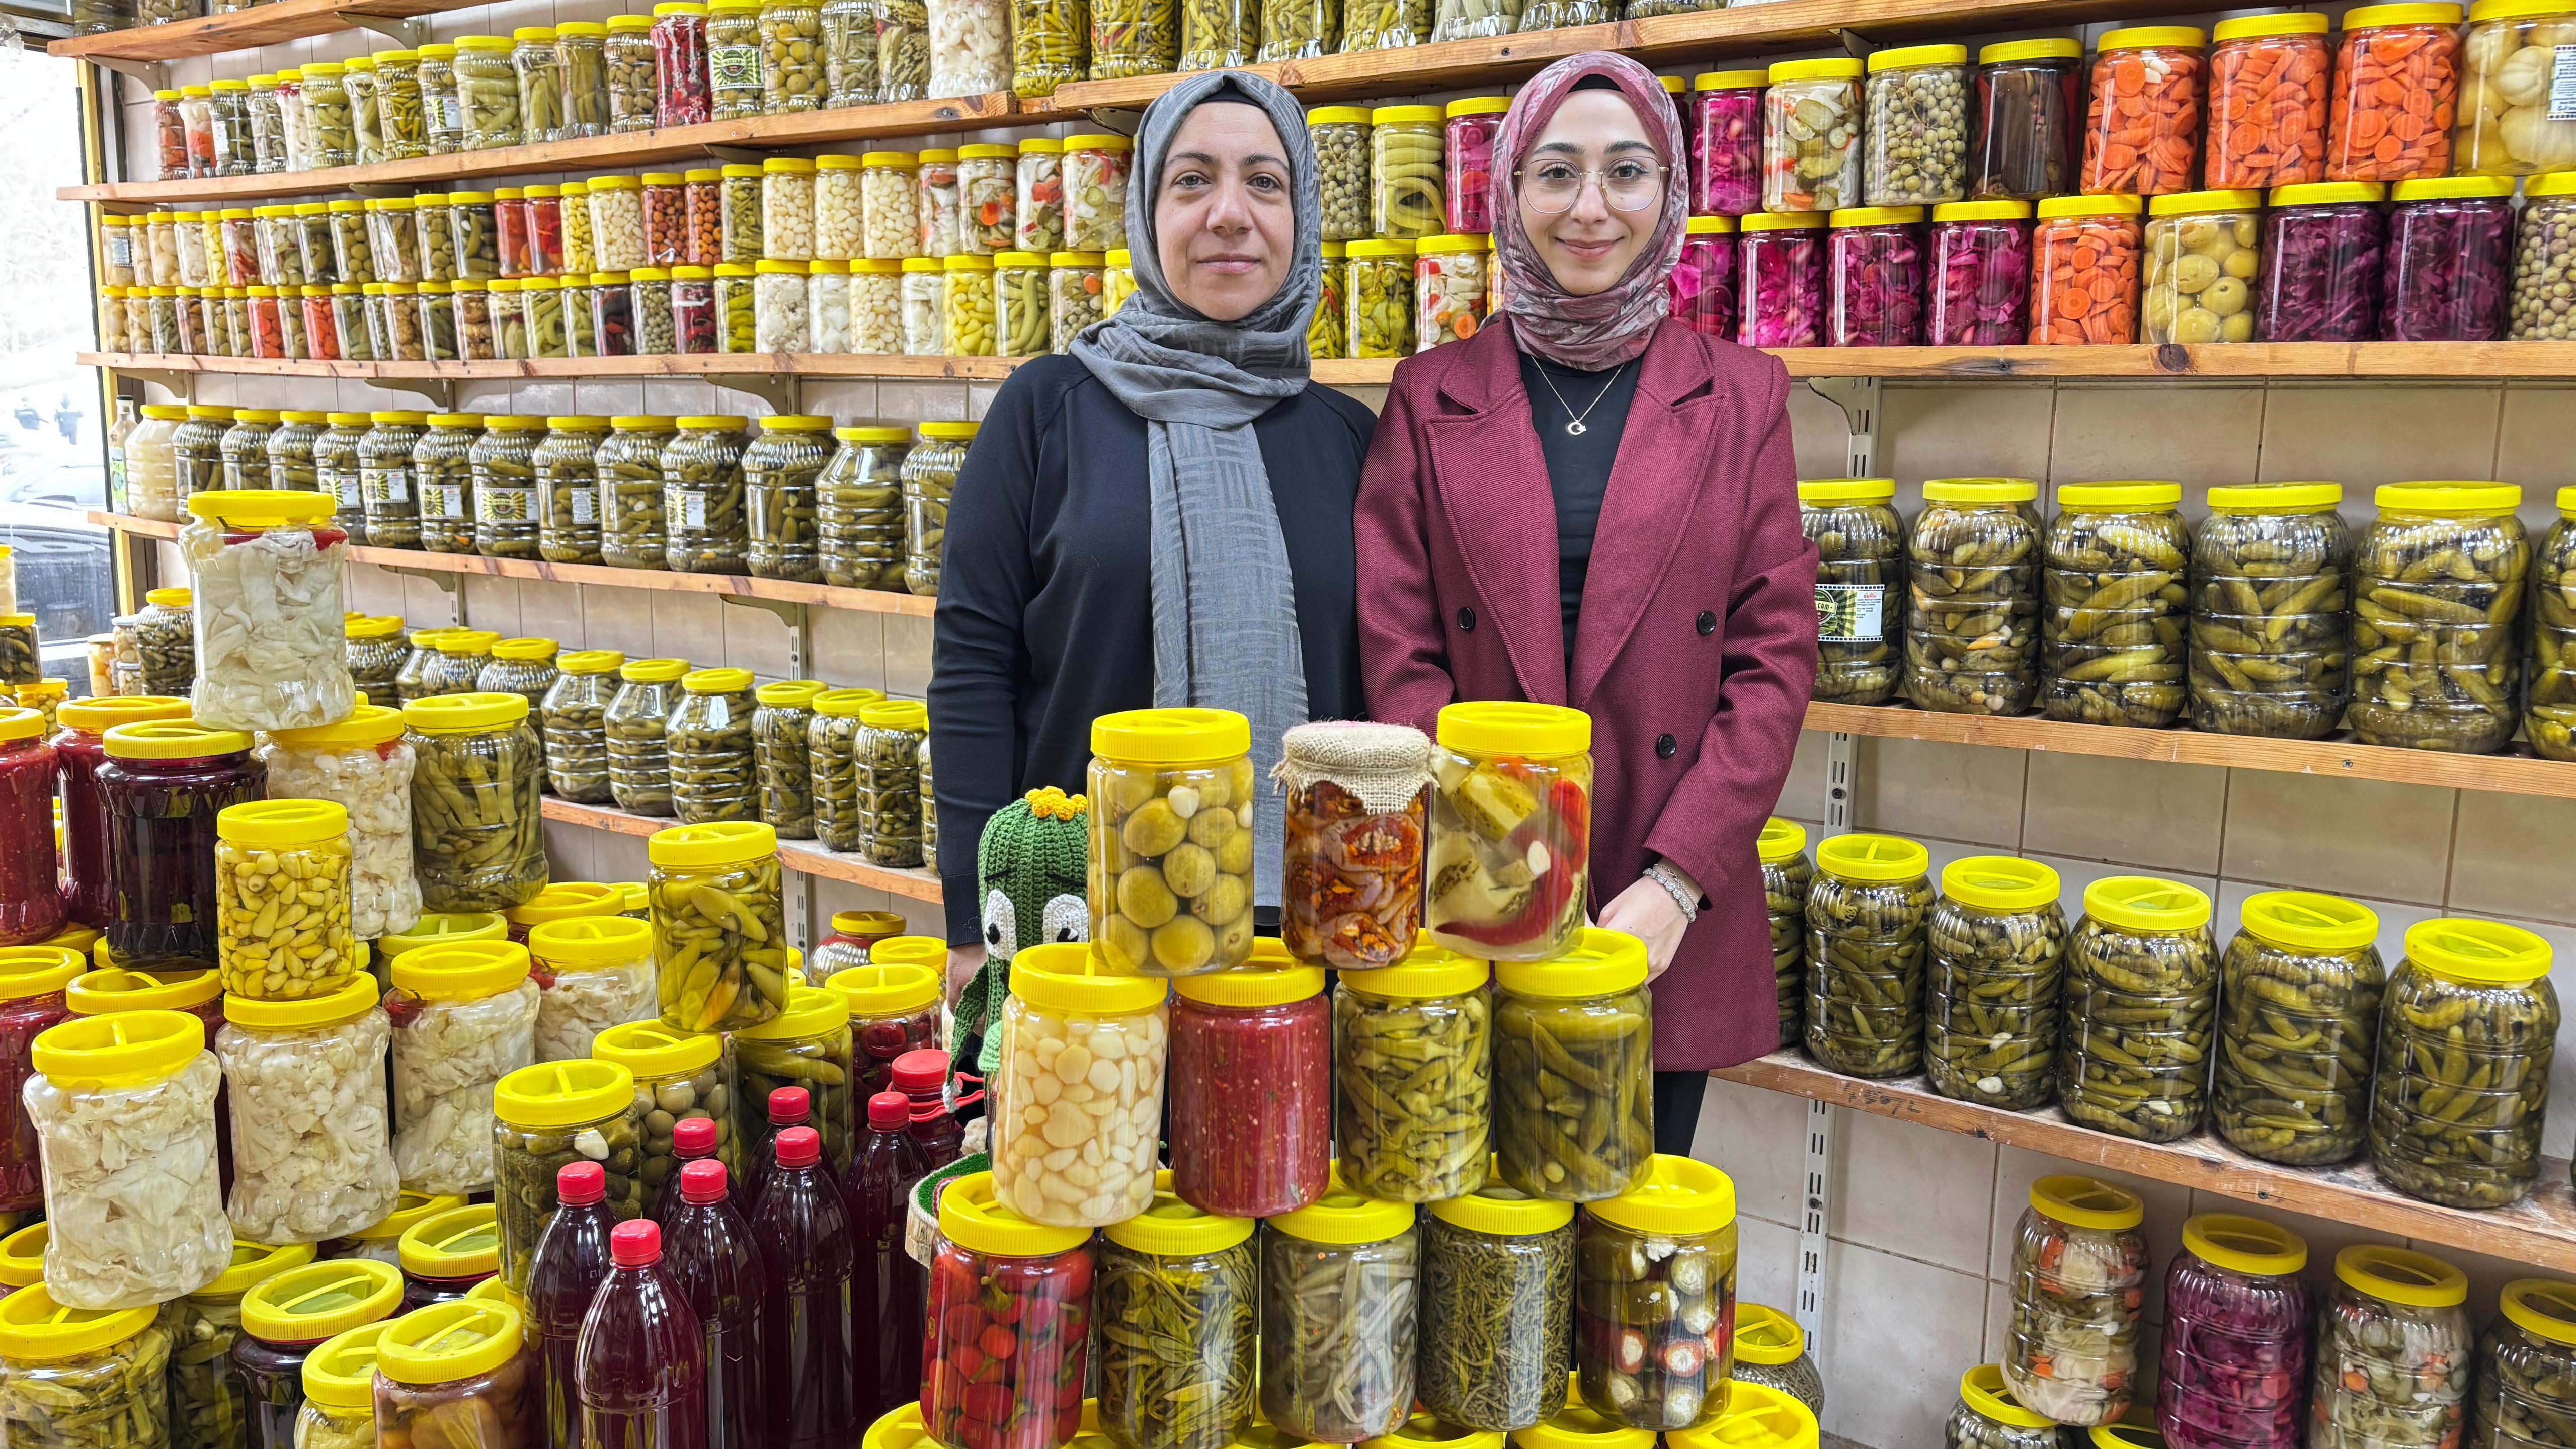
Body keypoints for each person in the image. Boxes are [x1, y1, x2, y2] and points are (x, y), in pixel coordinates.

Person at [1353, 51, 1818, 1156]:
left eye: (1627, 172)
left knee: (1628, 1230)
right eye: (1555, 173)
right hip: (1478, 883)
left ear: (1671, 196)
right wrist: (1495, 852)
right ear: (1508, 193)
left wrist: (1680, 878)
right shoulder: (1431, 393)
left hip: (1657, 897)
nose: (1591, 207)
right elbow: (1397, 643)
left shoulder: (1742, 393)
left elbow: (1773, 660)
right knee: (1475, 1217)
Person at [928, 71, 1379, 1003]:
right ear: (1144, 208)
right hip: (1077, 932)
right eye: (1191, 180)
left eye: (1265, 182)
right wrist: (975, 929)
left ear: (1303, 222)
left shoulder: (1349, 440)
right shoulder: (1046, 410)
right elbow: (972, 673)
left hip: (1299, 946)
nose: (1229, 214)